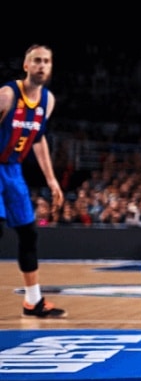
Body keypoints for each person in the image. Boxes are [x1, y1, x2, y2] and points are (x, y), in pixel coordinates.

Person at [0, 45, 66, 318]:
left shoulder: (47, 101)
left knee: (29, 233)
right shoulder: (6, 95)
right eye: (36, 61)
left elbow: (38, 140)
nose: (42, 65)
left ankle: (33, 301)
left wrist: (52, 181)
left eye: (46, 61)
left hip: (13, 171)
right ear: (26, 66)